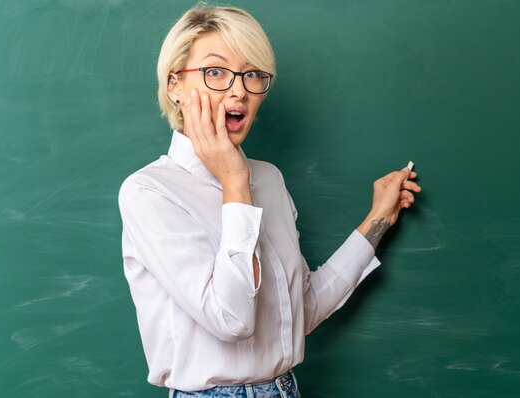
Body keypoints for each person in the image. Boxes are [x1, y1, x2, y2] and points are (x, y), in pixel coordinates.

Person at [118, 4, 421, 398]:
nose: (239, 89)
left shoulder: (269, 179)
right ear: (175, 85)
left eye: (252, 74)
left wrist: (377, 219)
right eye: (215, 72)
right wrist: (234, 181)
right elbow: (232, 320)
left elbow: (299, 311)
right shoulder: (150, 191)